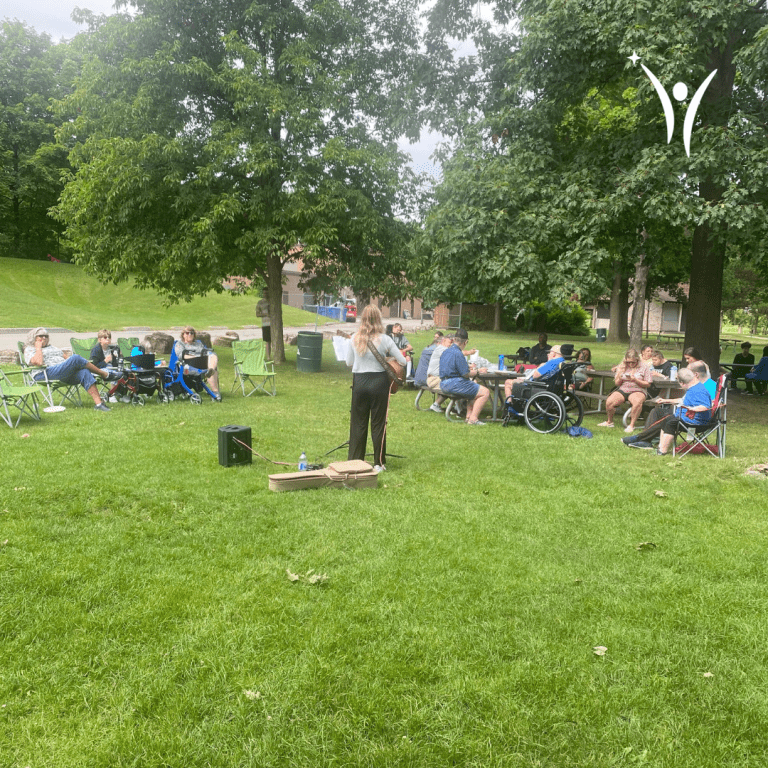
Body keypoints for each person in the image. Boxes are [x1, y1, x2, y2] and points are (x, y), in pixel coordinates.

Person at [345, 305, 407, 472]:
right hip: (379, 383)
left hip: (359, 382)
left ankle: (355, 461)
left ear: (362, 318)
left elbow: (348, 362)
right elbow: (403, 361)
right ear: (378, 319)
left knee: (358, 422)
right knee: (379, 423)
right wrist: (387, 359)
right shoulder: (385, 339)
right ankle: (378, 463)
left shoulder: (354, 338)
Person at [23, 327, 117, 412]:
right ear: (34, 337)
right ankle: (103, 374)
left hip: (62, 372)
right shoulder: (30, 349)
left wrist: (76, 365)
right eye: (40, 336)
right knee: (75, 358)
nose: (44, 338)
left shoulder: (53, 348)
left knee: (84, 371)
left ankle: (99, 404)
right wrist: (38, 348)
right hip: (44, 373)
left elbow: (67, 359)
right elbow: (39, 363)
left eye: (46, 336)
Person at [622, 367, 713, 454]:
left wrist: (692, 409)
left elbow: (705, 406)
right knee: (656, 411)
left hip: (693, 421)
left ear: (681, 383)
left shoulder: (698, 391)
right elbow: (683, 401)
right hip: (683, 415)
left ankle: (640, 438)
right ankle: (646, 440)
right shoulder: (693, 387)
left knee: (667, 420)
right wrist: (666, 400)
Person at [439, 328, 490, 425]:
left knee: (474, 386)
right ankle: (474, 419)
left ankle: (468, 417)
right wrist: (478, 371)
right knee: (485, 392)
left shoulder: (446, 351)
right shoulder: (458, 353)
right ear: (465, 342)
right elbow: (466, 374)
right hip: (453, 384)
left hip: (443, 383)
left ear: (454, 339)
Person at [598, 348, 653, 432]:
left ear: (637, 360)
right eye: (628, 362)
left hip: (638, 389)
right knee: (609, 401)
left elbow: (648, 384)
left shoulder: (644, 367)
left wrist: (636, 380)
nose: (630, 364)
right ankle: (609, 421)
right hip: (624, 388)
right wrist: (620, 378)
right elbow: (617, 384)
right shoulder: (622, 366)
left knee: (637, 402)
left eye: (633, 362)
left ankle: (631, 425)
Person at [174, 326, 221, 400]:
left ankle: (215, 391)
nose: (190, 334)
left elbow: (205, 352)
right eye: (187, 333)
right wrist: (196, 356)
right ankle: (210, 371)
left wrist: (206, 355)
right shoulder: (180, 344)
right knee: (209, 360)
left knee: (213, 355)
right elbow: (182, 356)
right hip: (189, 365)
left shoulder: (198, 344)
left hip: (201, 363)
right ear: (183, 335)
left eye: (192, 333)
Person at [425, 334, 452, 412]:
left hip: (437, 378)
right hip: (433, 379)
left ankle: (457, 407)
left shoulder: (445, 349)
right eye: (449, 342)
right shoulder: (441, 349)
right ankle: (436, 405)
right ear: (443, 341)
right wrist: (469, 352)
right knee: (456, 384)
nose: (450, 345)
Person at [255, 288, 272, 361]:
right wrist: (265, 314)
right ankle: (268, 357)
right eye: (264, 293)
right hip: (265, 324)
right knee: (267, 341)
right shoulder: (260, 302)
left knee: (274, 340)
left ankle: (276, 356)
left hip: (274, 324)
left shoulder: (273, 301)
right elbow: (257, 314)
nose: (266, 294)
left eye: (267, 293)